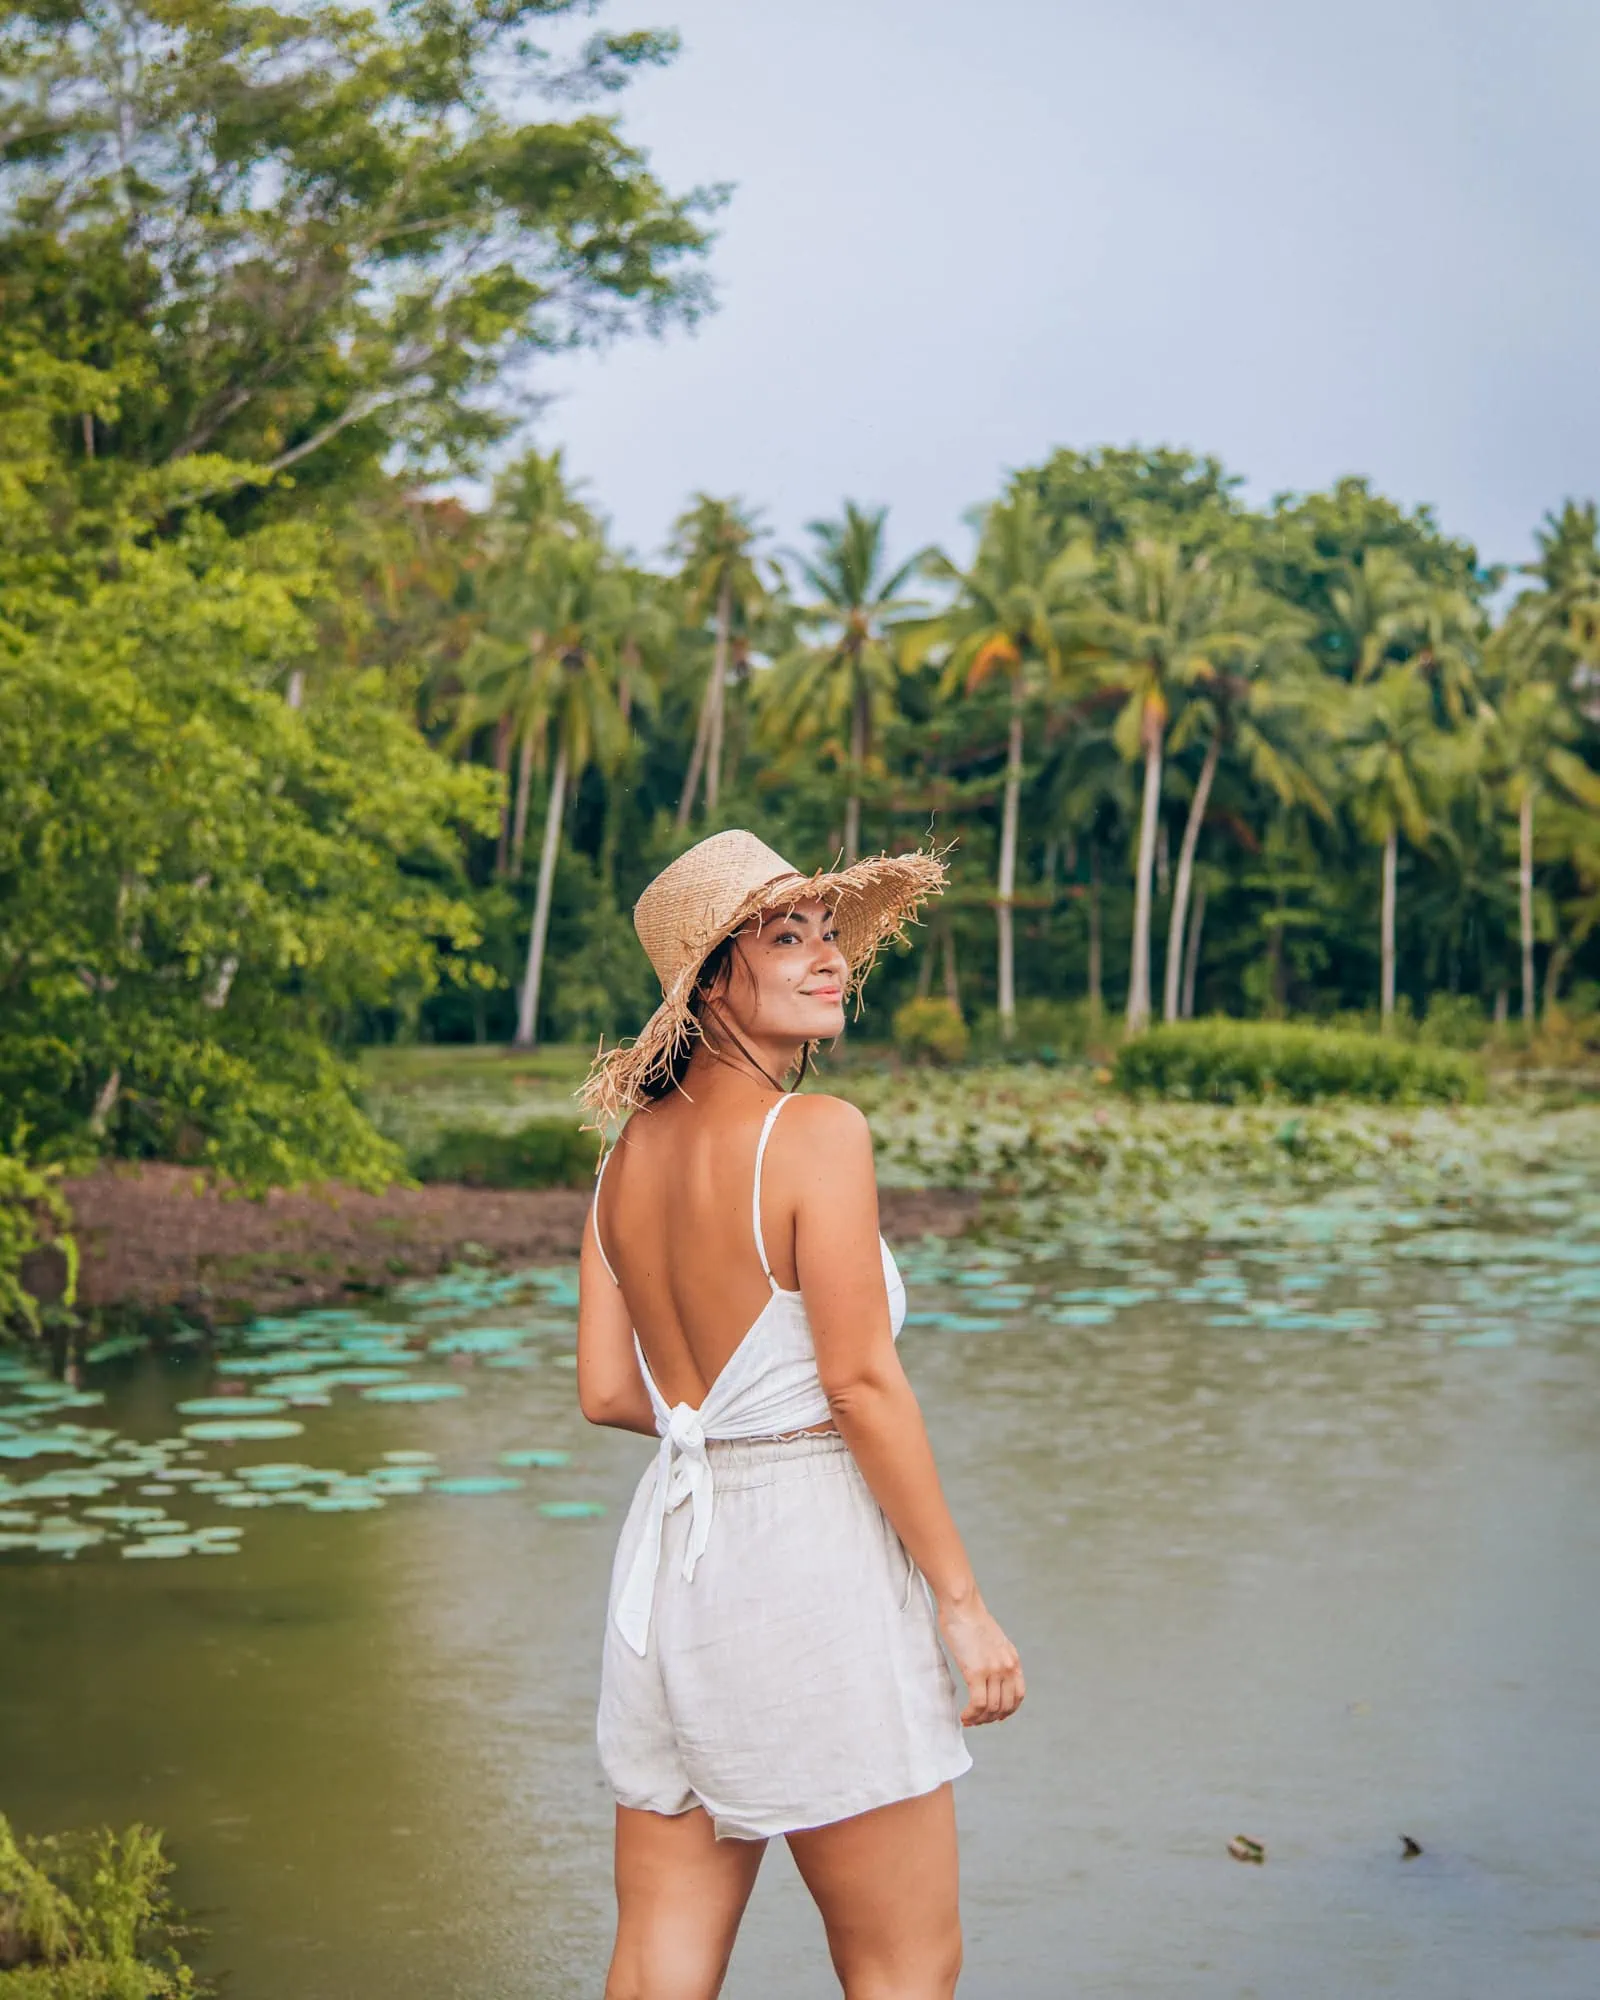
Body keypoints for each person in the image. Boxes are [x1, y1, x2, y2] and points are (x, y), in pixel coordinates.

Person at [576, 829, 1024, 2000]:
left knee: (659, 1952)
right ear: (713, 980)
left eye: (828, 931)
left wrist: (719, 1424)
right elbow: (861, 1383)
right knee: (904, 1965)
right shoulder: (816, 1134)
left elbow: (611, 1391)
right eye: (790, 936)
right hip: (803, 1566)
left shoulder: (623, 1157)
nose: (829, 957)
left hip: (673, 1564)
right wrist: (962, 1606)